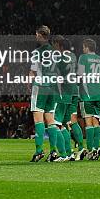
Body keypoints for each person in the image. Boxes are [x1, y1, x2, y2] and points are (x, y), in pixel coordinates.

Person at [29, 25, 59, 162]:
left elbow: (33, 71)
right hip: (53, 88)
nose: (35, 36)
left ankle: (39, 151)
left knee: (38, 120)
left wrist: (29, 85)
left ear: (40, 35)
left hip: (40, 86)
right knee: (51, 120)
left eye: (36, 34)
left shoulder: (37, 52)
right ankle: (53, 151)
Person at [77, 38, 100, 160]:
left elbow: (80, 75)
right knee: (96, 122)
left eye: (83, 47)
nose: (83, 49)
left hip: (87, 93)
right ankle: (97, 147)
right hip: (98, 93)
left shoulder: (83, 57)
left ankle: (90, 149)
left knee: (88, 121)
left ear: (87, 47)